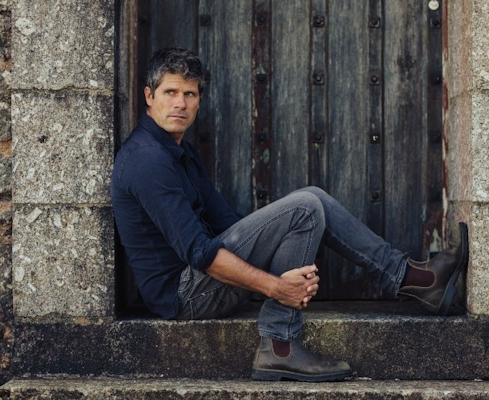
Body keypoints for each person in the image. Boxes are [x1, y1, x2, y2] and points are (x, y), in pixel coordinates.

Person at [111, 48, 469, 382]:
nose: (180, 103)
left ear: (199, 100)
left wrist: (276, 247)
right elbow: (199, 252)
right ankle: (280, 343)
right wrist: (277, 287)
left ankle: (415, 279)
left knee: (312, 198)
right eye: (170, 92)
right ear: (149, 96)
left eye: (189, 94)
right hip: (184, 295)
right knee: (304, 209)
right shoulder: (147, 160)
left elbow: (226, 223)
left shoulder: (181, 152)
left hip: (203, 277)